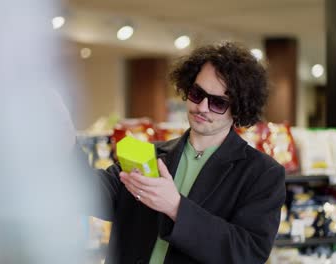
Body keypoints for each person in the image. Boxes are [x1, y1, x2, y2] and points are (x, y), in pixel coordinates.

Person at [82, 42, 286, 264]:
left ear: (239, 108)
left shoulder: (262, 173)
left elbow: (247, 253)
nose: (202, 107)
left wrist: (176, 208)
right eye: (197, 93)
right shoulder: (150, 154)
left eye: (218, 102)